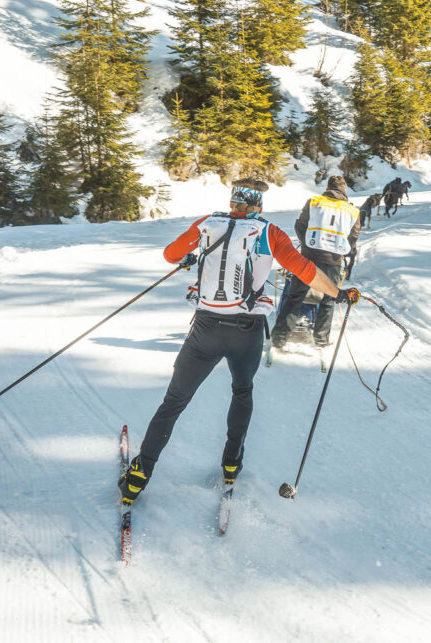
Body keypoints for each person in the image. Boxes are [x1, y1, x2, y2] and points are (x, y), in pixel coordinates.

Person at [119, 178, 360, 503]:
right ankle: (231, 465)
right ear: (258, 205)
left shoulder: (208, 223)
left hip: (206, 328)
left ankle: (138, 477)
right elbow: (305, 270)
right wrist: (339, 293)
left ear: (233, 201)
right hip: (246, 330)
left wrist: (191, 257)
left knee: (174, 402)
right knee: (242, 392)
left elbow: (170, 254)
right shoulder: (269, 232)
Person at [271, 175, 361, 349]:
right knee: (329, 299)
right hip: (334, 260)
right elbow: (354, 235)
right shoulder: (352, 210)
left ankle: (279, 338)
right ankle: (321, 340)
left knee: (295, 297)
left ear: (327, 188)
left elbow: (300, 226)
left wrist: (307, 244)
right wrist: (342, 249)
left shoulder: (314, 202)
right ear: (344, 190)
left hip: (309, 256)